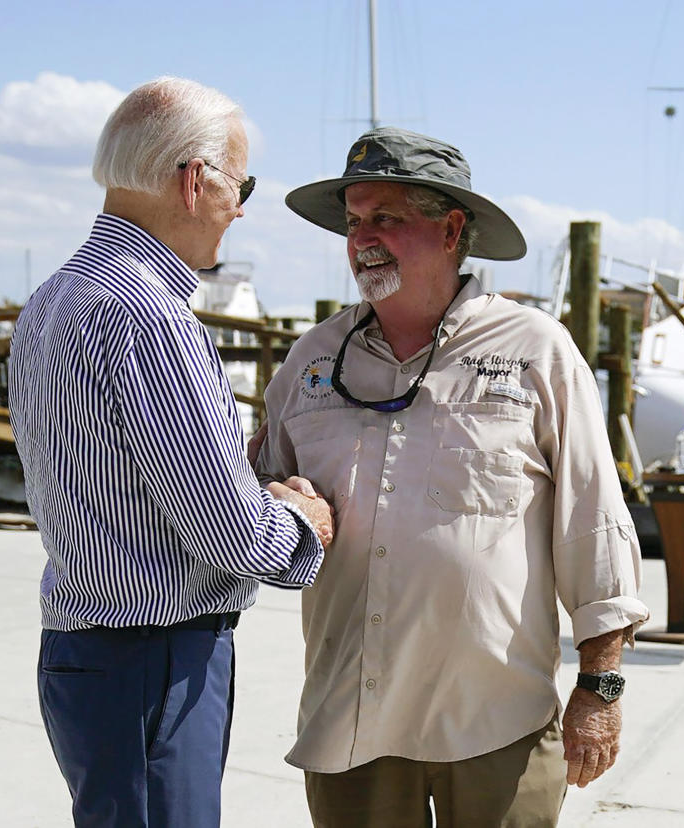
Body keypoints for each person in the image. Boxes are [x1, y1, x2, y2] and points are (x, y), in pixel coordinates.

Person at [253, 126, 649, 827]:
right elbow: (241, 501)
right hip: (352, 724)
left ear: (451, 228)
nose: (362, 239)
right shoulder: (312, 361)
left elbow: (594, 522)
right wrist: (270, 503)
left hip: (498, 726)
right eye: (353, 222)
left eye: (386, 218)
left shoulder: (534, 351)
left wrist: (601, 688)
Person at [8, 76, 334, 828]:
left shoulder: (55, 297)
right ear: (195, 181)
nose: (242, 207)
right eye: (240, 183)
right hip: (153, 662)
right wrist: (304, 521)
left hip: (86, 655)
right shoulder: (150, 315)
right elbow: (231, 535)